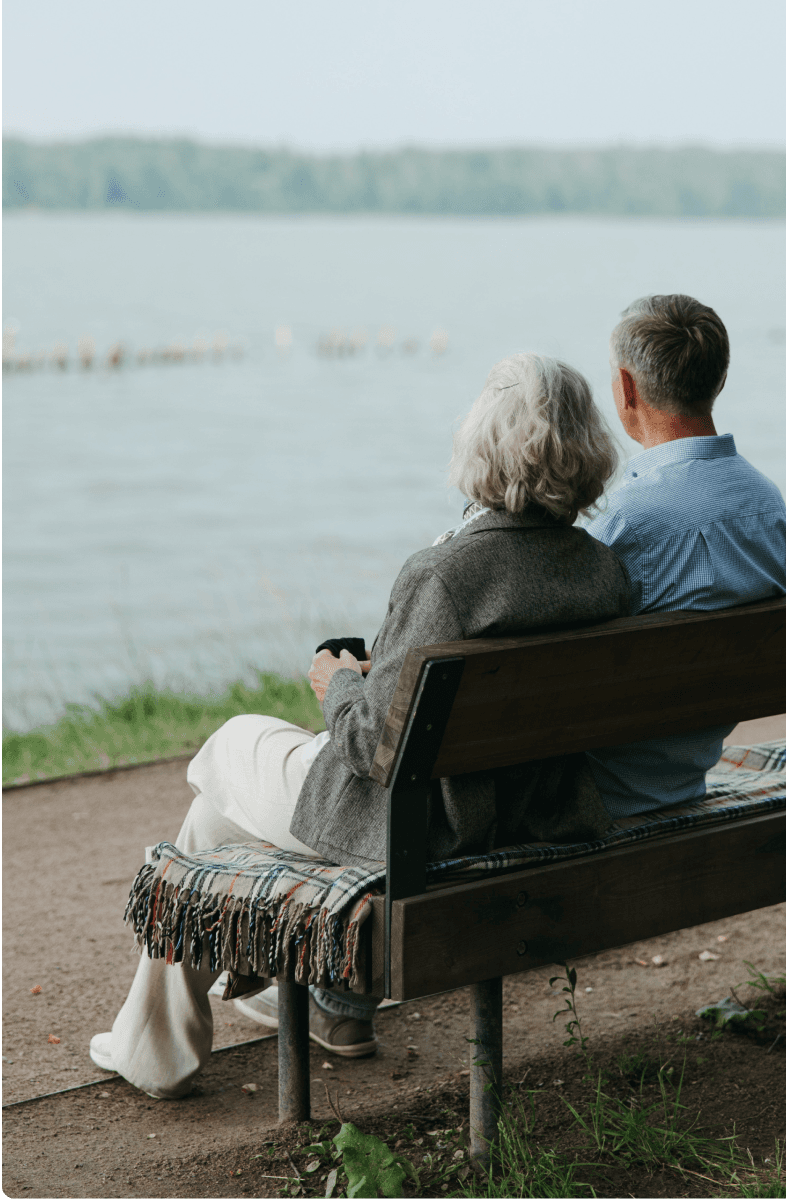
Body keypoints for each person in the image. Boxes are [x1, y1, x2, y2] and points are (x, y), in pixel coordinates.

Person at [89, 352, 632, 1099]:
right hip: (526, 811)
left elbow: (374, 747)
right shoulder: (604, 569)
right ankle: (300, 1010)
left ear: (483, 448)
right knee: (214, 818)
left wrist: (338, 680)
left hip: (424, 826)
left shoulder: (442, 573)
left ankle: (169, 1042)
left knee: (228, 751)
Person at [583, 293, 786, 818]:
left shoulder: (622, 519)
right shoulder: (767, 508)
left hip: (598, 786)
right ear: (718, 381)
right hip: (690, 767)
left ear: (627, 388)